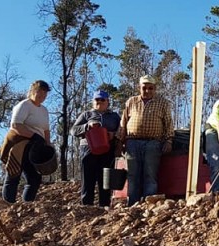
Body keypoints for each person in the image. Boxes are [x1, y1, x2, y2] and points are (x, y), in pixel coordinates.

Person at [118, 75, 174, 206]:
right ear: (139, 88)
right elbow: (123, 122)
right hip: (132, 142)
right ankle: (133, 203)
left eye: (150, 88)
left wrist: (169, 141)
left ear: (155, 89)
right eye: (144, 88)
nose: (147, 90)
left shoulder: (163, 103)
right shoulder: (131, 101)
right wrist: (120, 142)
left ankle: (149, 204)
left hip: (153, 143)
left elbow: (168, 124)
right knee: (132, 175)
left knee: (150, 174)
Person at [0, 80, 53, 203]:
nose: (42, 96)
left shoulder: (44, 110)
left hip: (37, 146)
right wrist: (33, 136)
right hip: (21, 144)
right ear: (32, 92)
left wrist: (47, 144)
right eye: (40, 93)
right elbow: (15, 125)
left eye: (45, 94)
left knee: (34, 178)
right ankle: (8, 204)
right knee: (14, 174)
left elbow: (46, 130)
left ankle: (27, 204)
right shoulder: (24, 105)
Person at [71, 90, 121, 207]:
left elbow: (122, 130)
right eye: (96, 100)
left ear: (108, 102)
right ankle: (86, 206)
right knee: (88, 179)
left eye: (102, 100)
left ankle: (104, 206)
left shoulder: (114, 116)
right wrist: (87, 126)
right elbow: (73, 130)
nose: (99, 102)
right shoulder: (86, 115)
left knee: (105, 179)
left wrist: (113, 135)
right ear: (93, 102)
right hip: (88, 149)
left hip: (108, 150)